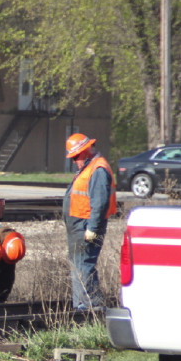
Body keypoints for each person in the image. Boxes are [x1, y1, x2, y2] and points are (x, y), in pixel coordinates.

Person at [63, 132, 116, 311]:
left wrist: (92, 228)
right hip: (79, 226)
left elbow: (99, 202)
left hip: (87, 226)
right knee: (78, 266)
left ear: (85, 151)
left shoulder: (98, 170)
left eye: (75, 156)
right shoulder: (88, 168)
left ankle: (93, 307)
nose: (74, 161)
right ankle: (81, 306)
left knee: (84, 265)